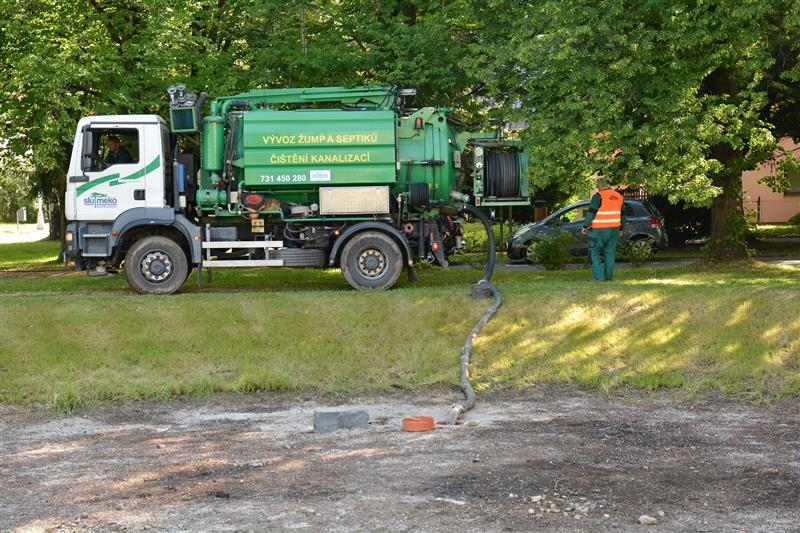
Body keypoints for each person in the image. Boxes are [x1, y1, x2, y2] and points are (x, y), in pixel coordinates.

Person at [581, 178, 627, 281]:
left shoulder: (598, 197)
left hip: (598, 230)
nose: (597, 188)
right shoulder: (619, 197)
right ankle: (608, 278)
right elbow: (623, 215)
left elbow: (591, 212)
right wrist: (622, 229)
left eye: (598, 186)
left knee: (594, 252)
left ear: (602, 186)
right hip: (614, 230)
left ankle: (598, 278)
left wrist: (585, 226)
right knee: (610, 254)